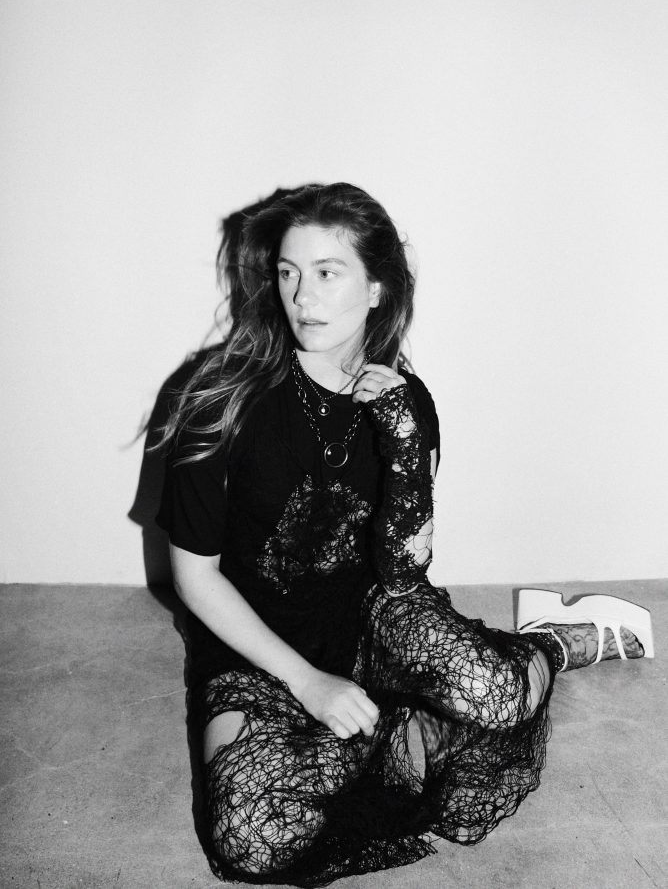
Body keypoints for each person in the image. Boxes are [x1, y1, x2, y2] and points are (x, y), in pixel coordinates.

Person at [156, 182, 653, 887]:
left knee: (500, 696)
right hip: (254, 649)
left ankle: (548, 642)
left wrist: (403, 435)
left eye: (327, 273)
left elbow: (401, 572)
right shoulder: (220, 402)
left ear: (376, 288)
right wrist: (308, 683)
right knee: (253, 839)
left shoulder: (406, 402)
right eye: (289, 272)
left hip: (372, 616)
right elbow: (195, 578)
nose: (303, 296)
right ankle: (395, 733)